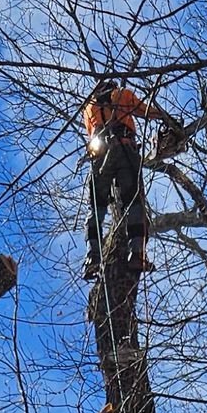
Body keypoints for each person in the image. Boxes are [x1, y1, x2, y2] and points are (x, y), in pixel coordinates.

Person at [82, 76, 157, 279]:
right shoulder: (121, 94)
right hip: (125, 149)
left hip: (99, 155)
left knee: (96, 207)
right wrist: (167, 119)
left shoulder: (88, 107)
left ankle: (93, 257)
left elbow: (91, 130)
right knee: (133, 201)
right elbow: (146, 110)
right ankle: (137, 254)